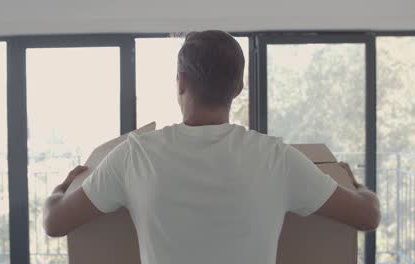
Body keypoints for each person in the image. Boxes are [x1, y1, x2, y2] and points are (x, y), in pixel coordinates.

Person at [43, 30, 380, 264]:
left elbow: (54, 223)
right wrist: (355, 182)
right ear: (239, 88)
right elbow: (368, 215)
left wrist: (59, 189)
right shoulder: (276, 158)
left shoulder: (136, 155)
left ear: (181, 81)